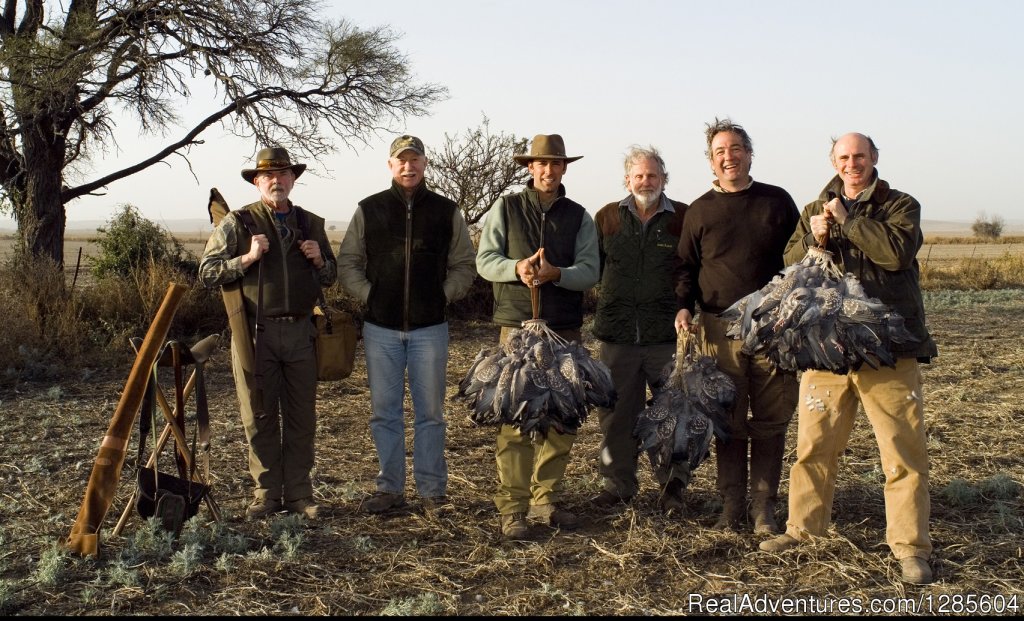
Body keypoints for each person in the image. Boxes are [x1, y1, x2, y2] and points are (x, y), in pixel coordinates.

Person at [759, 133, 939, 585]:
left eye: (860, 156)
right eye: (844, 157)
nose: (852, 163)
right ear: (833, 161)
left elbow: (896, 255)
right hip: (827, 348)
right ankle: (804, 531)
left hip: (889, 349)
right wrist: (813, 240)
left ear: (874, 158)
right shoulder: (813, 209)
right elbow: (791, 262)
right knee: (814, 448)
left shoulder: (900, 205)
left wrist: (848, 221)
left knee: (901, 453)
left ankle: (910, 548)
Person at [337, 134, 476, 514]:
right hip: (380, 328)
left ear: (425, 164)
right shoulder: (370, 209)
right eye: (401, 160)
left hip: (430, 328)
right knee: (385, 412)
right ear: (390, 165)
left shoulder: (447, 211)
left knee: (430, 414)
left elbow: (465, 264)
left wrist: (441, 295)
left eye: (415, 160)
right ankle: (390, 489)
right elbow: (348, 261)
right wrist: (370, 295)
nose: (408, 166)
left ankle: (433, 492)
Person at [673, 118, 800, 534]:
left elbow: (799, 261)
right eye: (720, 151)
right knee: (726, 418)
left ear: (749, 153)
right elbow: (686, 268)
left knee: (770, 418)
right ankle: (731, 504)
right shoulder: (699, 210)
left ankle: (764, 506)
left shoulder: (777, 202)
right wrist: (684, 308)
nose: (729, 157)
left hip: (770, 328)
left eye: (736, 149)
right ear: (711, 161)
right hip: (716, 330)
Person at [199, 146, 337, 520]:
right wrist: (246, 259)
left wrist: (320, 259)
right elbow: (206, 272)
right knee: (258, 415)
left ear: (293, 179)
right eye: (268, 176)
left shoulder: (311, 223)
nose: (277, 181)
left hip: (301, 332)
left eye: (284, 174)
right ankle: (265, 495)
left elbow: (331, 276)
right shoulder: (238, 223)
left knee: (300, 417)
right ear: (257, 181)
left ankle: (298, 495)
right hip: (255, 335)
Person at [476, 133, 600, 539]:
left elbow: (590, 271)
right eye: (541, 164)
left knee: (562, 420)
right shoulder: (506, 207)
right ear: (529, 168)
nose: (548, 170)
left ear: (565, 168)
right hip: (516, 331)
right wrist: (518, 269)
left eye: (556, 164)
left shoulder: (579, 216)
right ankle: (513, 509)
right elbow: (485, 261)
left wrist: (556, 274)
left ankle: (546, 500)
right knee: (514, 421)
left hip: (564, 332)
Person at [591, 145, 687, 513]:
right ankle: (618, 486)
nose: (645, 181)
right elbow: (591, 268)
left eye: (652, 175)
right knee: (616, 416)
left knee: (670, 414)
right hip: (617, 336)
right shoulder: (606, 218)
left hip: (665, 335)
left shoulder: (682, 217)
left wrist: (684, 308)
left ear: (664, 179)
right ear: (627, 180)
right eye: (639, 175)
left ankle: (673, 488)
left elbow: (688, 270)